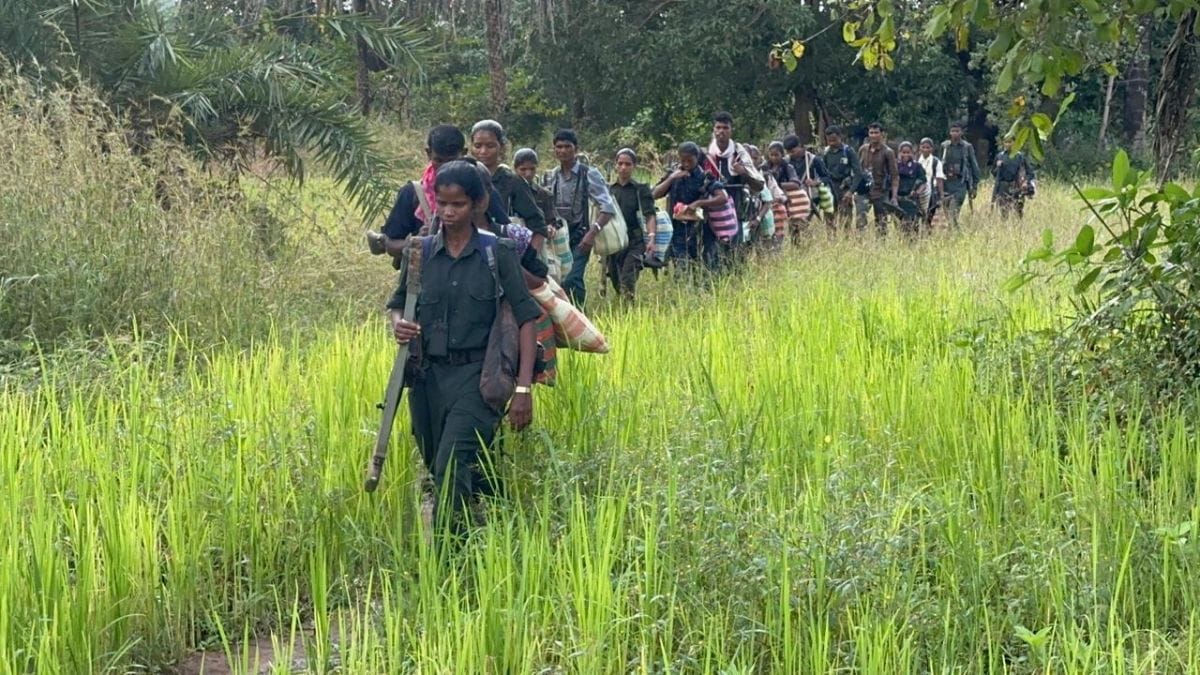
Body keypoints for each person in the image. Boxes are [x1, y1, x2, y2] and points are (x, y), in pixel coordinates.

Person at [387, 160, 541, 535]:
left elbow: (526, 318)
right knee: (441, 466)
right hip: (427, 381)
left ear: (477, 204)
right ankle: (489, 520)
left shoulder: (497, 252)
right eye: (442, 203)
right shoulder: (419, 252)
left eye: (458, 204)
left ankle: (445, 558)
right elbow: (397, 304)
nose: (449, 212)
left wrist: (523, 390)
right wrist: (398, 325)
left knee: (452, 464)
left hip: (478, 379)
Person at [545, 129, 616, 308]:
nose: (563, 151)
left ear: (576, 149)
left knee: (572, 278)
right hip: (557, 236)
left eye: (567, 146)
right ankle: (567, 318)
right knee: (558, 279)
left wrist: (592, 234)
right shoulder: (551, 176)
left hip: (580, 236)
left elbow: (608, 208)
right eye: (559, 147)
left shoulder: (588, 174)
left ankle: (580, 316)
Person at [470, 120, 548, 253]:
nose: (483, 151)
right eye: (478, 146)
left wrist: (528, 259)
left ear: (502, 147)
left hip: (504, 252)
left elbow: (537, 224)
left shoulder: (513, 182)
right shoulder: (466, 178)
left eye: (490, 146)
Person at [652, 141, 730, 271]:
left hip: (699, 230)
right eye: (683, 160)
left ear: (697, 158)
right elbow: (654, 194)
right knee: (680, 266)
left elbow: (723, 197)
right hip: (676, 229)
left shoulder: (705, 177)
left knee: (702, 267)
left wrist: (698, 203)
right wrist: (672, 178)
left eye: (690, 160)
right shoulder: (674, 175)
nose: (686, 164)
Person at [706, 111, 764, 245]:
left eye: (725, 128)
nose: (721, 131)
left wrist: (743, 173)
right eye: (718, 127)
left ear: (731, 130)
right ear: (713, 130)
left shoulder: (739, 153)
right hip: (711, 211)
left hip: (734, 211)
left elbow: (759, 186)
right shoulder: (707, 154)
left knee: (734, 250)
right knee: (711, 250)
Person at [607, 148, 657, 299]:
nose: (623, 167)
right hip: (615, 241)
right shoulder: (609, 190)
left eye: (628, 164)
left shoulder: (640, 189)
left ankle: (629, 308)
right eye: (620, 163)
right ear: (615, 165)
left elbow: (650, 215)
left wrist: (651, 237)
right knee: (616, 280)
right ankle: (623, 307)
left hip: (635, 241)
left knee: (628, 278)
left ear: (634, 166)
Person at [821, 125, 867, 230]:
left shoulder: (848, 151)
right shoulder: (826, 152)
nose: (831, 143)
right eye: (829, 140)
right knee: (829, 221)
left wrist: (851, 191)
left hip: (844, 187)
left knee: (845, 221)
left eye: (834, 140)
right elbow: (822, 171)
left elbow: (858, 173)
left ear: (840, 137)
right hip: (830, 188)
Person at [858, 122, 900, 235]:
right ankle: (859, 242)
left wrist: (894, 197)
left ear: (882, 134)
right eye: (871, 133)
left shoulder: (888, 152)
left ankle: (880, 244)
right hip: (864, 191)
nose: (873, 135)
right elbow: (858, 170)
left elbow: (894, 176)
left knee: (881, 223)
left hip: (881, 191)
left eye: (876, 133)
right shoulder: (863, 149)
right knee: (860, 219)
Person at [941, 122, 981, 226]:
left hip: (960, 184)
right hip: (946, 184)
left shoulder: (967, 147)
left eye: (957, 131)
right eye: (953, 131)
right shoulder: (945, 146)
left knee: (953, 214)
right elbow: (939, 165)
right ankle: (954, 233)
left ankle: (955, 232)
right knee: (946, 215)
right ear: (950, 132)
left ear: (961, 132)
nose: (955, 133)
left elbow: (974, 166)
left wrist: (974, 186)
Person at [992, 136, 1035, 219]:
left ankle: (1018, 225)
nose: (1008, 144)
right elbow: (994, 173)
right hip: (1003, 187)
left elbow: (1030, 173)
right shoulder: (999, 156)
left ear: (1014, 143)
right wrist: (998, 166)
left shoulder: (1020, 156)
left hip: (1017, 186)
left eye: (1010, 142)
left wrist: (1025, 182)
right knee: (1004, 210)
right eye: (1006, 142)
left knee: (1018, 210)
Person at [894, 141, 928, 234]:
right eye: (903, 152)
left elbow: (923, 182)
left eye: (908, 152)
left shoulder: (917, 166)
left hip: (912, 199)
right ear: (899, 153)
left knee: (913, 225)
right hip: (898, 200)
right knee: (899, 226)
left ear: (912, 153)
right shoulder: (895, 165)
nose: (906, 155)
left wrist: (917, 192)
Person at [917, 138, 946, 228]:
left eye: (928, 147)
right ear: (920, 148)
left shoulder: (936, 162)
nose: (925, 150)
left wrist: (941, 195)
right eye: (923, 147)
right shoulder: (916, 160)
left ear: (932, 149)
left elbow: (939, 179)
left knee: (928, 217)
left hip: (931, 193)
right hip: (917, 192)